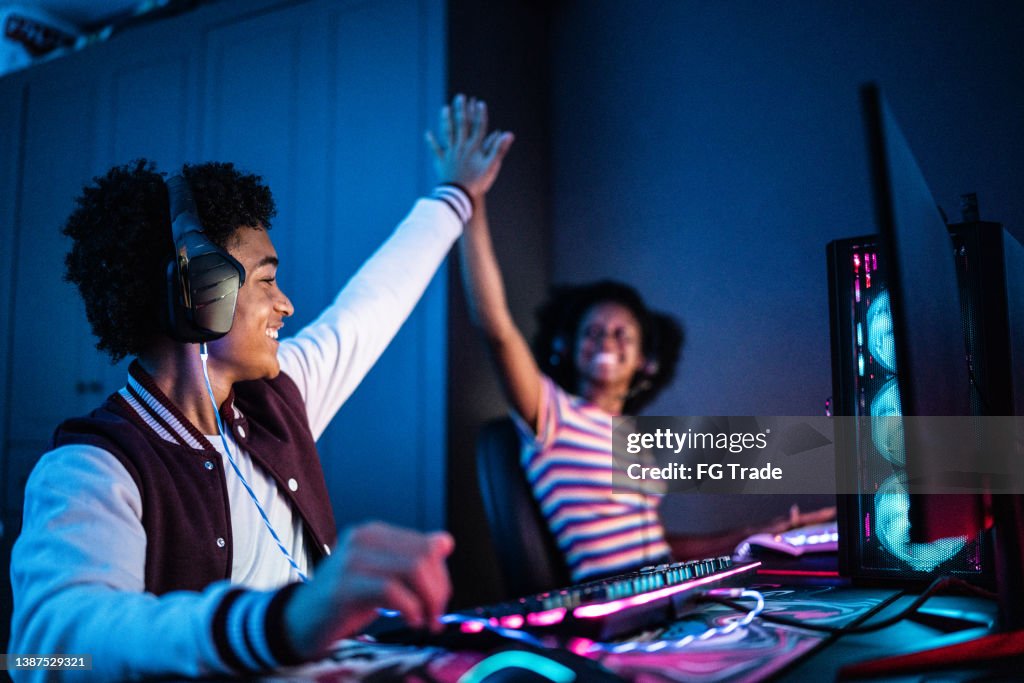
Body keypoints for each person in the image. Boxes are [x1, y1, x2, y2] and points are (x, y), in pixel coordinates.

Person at [8, 94, 513, 680]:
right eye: (267, 281)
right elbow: (44, 649)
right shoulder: (90, 468)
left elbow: (374, 301)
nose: (286, 304)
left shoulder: (277, 398)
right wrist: (280, 622)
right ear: (202, 293)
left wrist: (457, 193)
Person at [454, 174, 834, 584]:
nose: (606, 340)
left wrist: (760, 533)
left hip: (664, 592)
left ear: (645, 363)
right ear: (568, 348)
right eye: (592, 332)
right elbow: (496, 330)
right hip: (612, 602)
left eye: (622, 334)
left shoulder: (629, 439)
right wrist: (470, 199)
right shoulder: (551, 413)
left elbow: (658, 550)